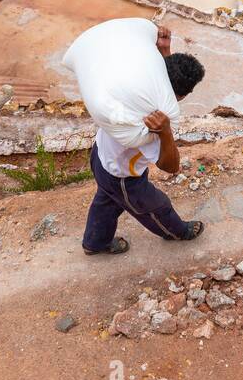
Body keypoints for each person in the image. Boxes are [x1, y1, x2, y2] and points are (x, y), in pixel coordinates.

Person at [82, 24, 207, 255]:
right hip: (122, 175)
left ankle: (94, 243)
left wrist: (164, 53)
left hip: (100, 154)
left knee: (107, 201)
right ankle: (177, 232)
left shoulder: (136, 81)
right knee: (156, 206)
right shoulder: (155, 120)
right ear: (185, 95)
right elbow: (170, 166)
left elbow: (163, 78)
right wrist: (166, 132)